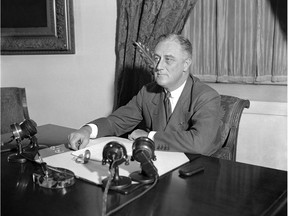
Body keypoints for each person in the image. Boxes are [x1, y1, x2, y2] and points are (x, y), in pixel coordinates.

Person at [68, 34, 221, 155]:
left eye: (168, 60)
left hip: (197, 170)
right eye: (157, 59)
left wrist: (149, 137)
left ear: (186, 64)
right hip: (159, 163)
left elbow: (200, 143)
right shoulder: (148, 92)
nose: (159, 66)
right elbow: (117, 121)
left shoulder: (207, 96)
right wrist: (87, 130)